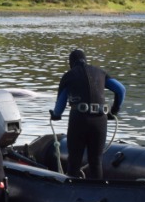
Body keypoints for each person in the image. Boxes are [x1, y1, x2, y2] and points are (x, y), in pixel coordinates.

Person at [50, 49, 125, 179]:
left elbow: (60, 105)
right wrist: (114, 111)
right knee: (96, 161)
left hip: (79, 119)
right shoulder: (100, 73)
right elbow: (121, 89)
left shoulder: (69, 76)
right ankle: (99, 192)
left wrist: (56, 115)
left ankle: (72, 194)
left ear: (71, 62)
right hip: (100, 120)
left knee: (74, 162)